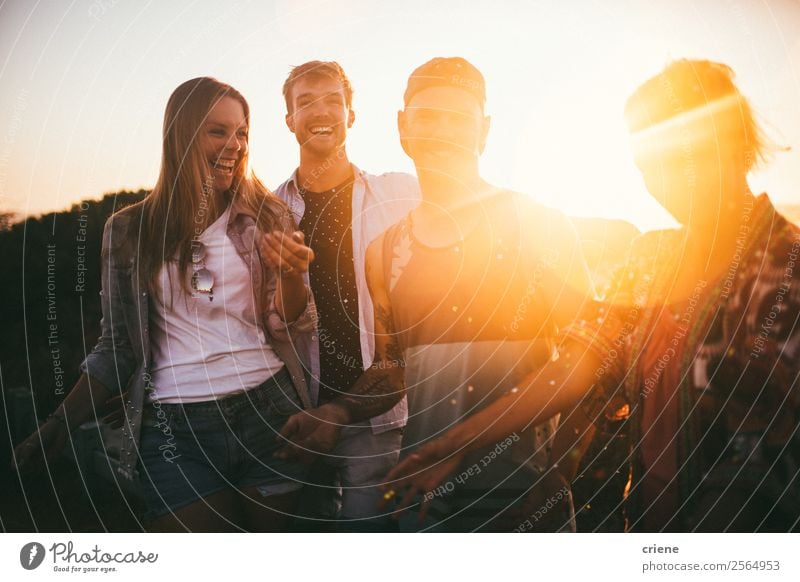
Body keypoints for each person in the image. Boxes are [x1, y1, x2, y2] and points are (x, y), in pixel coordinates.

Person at [383, 59, 800, 532]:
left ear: (727, 140)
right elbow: (578, 366)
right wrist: (464, 446)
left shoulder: (785, 269)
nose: (659, 183)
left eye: (674, 156)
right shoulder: (652, 258)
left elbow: (762, 462)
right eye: (645, 164)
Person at [279, 56, 595, 532]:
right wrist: (338, 412)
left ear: (484, 131)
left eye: (459, 119)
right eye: (427, 116)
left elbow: (589, 359)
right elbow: (390, 373)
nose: (442, 132)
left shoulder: (540, 225)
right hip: (422, 507)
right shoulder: (384, 253)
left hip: (525, 507)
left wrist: (461, 448)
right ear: (403, 127)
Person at [12, 77, 319, 532]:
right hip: (176, 429)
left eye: (242, 133)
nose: (234, 145)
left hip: (269, 412)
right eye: (218, 131)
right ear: (181, 135)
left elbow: (295, 323)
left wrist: (293, 274)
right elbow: (117, 348)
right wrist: (59, 424)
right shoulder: (127, 231)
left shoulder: (268, 216)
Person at [274, 61, 420, 531]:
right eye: (305, 102)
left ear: (351, 115)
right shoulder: (267, 211)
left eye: (334, 100)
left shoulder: (401, 195)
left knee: (370, 545)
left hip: (377, 419)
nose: (322, 112)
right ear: (289, 120)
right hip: (295, 418)